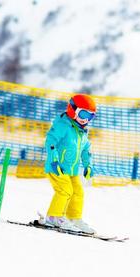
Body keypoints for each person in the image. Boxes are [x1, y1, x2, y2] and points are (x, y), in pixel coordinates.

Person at [41, 94, 97, 234]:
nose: (85, 119)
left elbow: (86, 149)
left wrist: (88, 165)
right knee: (65, 190)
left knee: (77, 192)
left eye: (90, 116)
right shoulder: (63, 125)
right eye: (83, 114)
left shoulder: (81, 131)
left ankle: (74, 218)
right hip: (57, 168)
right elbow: (51, 141)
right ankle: (54, 217)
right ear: (73, 109)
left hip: (71, 170)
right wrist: (54, 160)